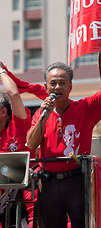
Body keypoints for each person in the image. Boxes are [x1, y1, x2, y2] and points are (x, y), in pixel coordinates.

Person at [26, 36, 101, 228]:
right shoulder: (41, 112)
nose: (57, 87)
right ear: (46, 87)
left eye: (62, 83)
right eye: (53, 83)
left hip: (76, 182)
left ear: (70, 86)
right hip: (48, 185)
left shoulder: (84, 108)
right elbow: (31, 144)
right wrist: (45, 116)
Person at [0, 62, 37, 228]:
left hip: (30, 190)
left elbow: (13, 94)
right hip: (4, 198)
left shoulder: (19, 124)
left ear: (3, 112)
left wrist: (1, 71)